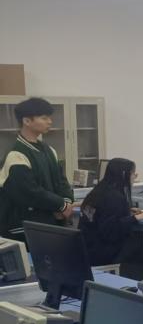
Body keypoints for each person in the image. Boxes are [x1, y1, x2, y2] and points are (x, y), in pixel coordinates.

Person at [0, 97, 75, 240]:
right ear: (27, 121)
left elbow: (61, 181)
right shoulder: (16, 154)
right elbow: (29, 192)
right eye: (44, 118)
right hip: (24, 227)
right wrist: (60, 205)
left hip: (50, 220)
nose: (50, 121)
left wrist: (66, 203)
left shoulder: (49, 150)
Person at [79, 158, 143, 279]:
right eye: (133, 173)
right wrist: (136, 218)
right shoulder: (115, 197)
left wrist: (127, 212)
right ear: (124, 175)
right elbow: (110, 230)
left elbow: (104, 216)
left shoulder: (98, 190)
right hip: (103, 252)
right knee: (142, 245)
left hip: (88, 248)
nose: (134, 177)